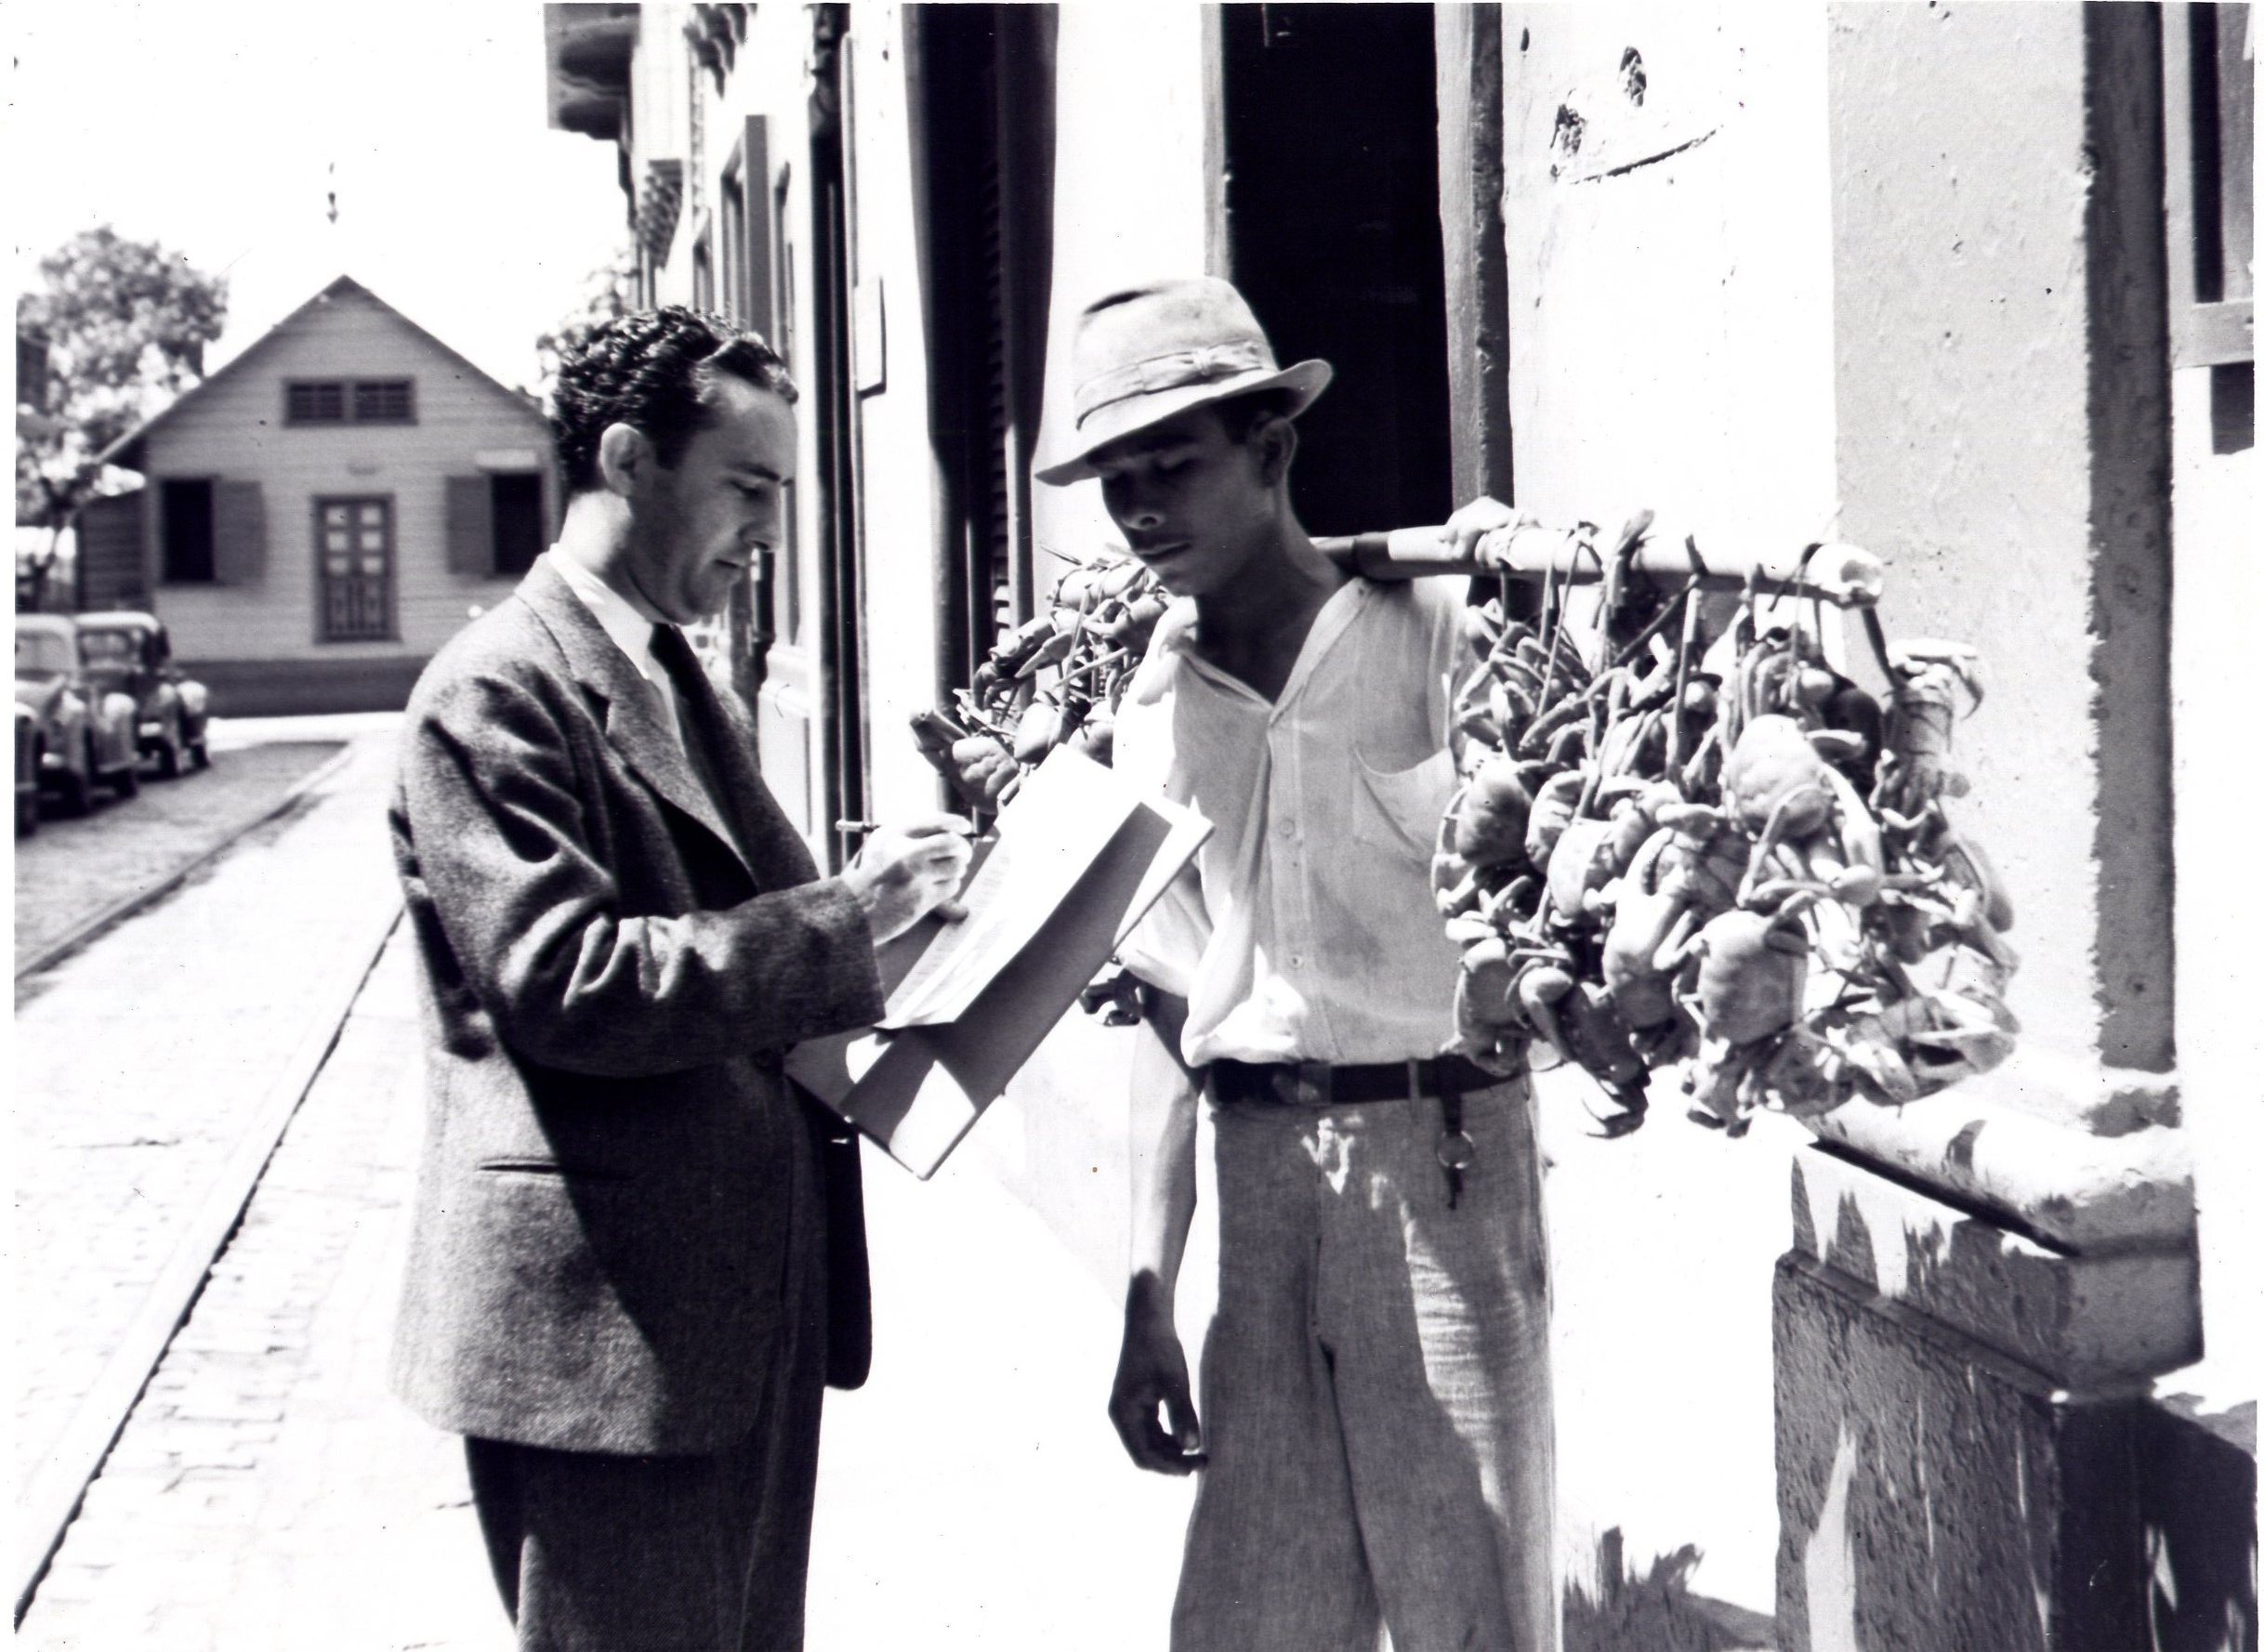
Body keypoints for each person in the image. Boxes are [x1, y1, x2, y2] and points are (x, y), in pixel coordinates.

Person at [388, 308, 972, 1652]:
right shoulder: (495, 689)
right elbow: (568, 980)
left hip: (728, 1305)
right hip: (605, 1340)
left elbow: (752, 928)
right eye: (750, 487)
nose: (770, 525)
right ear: (628, 459)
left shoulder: (659, 663)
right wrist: (846, 918)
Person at [1033, 278, 1556, 1652]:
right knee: (1254, 1619)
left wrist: (1529, 585)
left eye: (1175, 465)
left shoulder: (1437, 634)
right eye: (1116, 480)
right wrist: (1149, 1290)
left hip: (1443, 1161)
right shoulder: (1153, 712)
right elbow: (1165, 1010)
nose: (1143, 506)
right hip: (1260, 1186)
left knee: (1472, 1606)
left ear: (1269, 451)